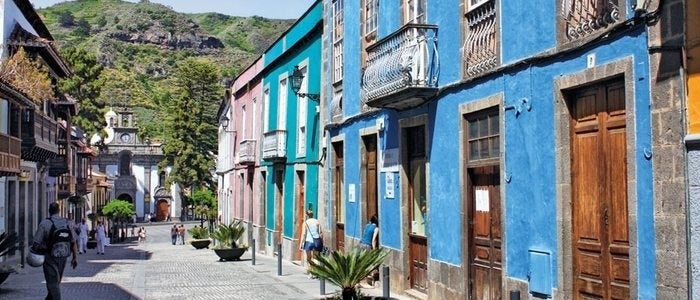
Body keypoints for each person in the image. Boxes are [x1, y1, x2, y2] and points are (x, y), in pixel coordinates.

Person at [31, 202, 78, 300]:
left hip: (50, 257)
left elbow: (36, 243)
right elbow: (73, 242)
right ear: (59, 210)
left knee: (52, 283)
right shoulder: (67, 223)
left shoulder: (45, 223)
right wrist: (75, 258)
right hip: (64, 257)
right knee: (56, 282)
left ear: (49, 211)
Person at [298, 210, 322, 277]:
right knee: (316, 257)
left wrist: (301, 244)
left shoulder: (305, 223)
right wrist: (322, 242)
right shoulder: (317, 222)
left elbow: (303, 234)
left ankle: (311, 273)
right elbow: (320, 233)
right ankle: (316, 272)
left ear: (307, 215)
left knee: (309, 258)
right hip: (317, 241)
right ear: (312, 214)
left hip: (308, 242)